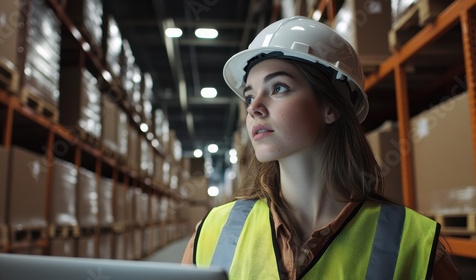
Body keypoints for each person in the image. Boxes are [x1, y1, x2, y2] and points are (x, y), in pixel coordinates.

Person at [181, 16, 460, 279]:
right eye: (249, 96)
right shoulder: (212, 232)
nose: (254, 108)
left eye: (278, 88)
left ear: (330, 107)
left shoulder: (413, 244)